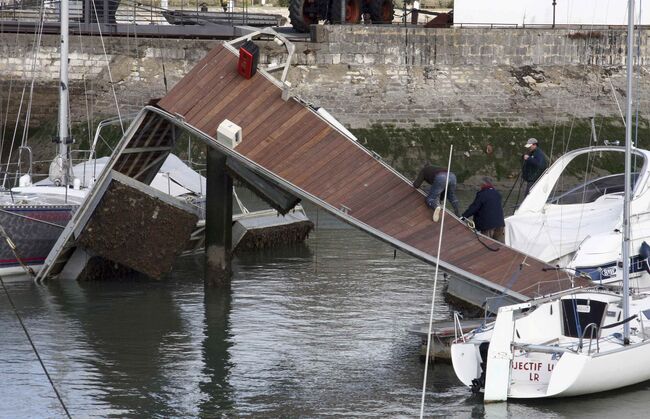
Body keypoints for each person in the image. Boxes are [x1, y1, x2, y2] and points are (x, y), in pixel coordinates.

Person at [461, 178, 505, 242]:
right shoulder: (497, 194)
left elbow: (474, 208)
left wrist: (463, 217)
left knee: (487, 244)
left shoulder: (482, 194)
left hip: (487, 225)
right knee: (500, 246)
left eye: (480, 185)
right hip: (500, 224)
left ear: (482, 185)